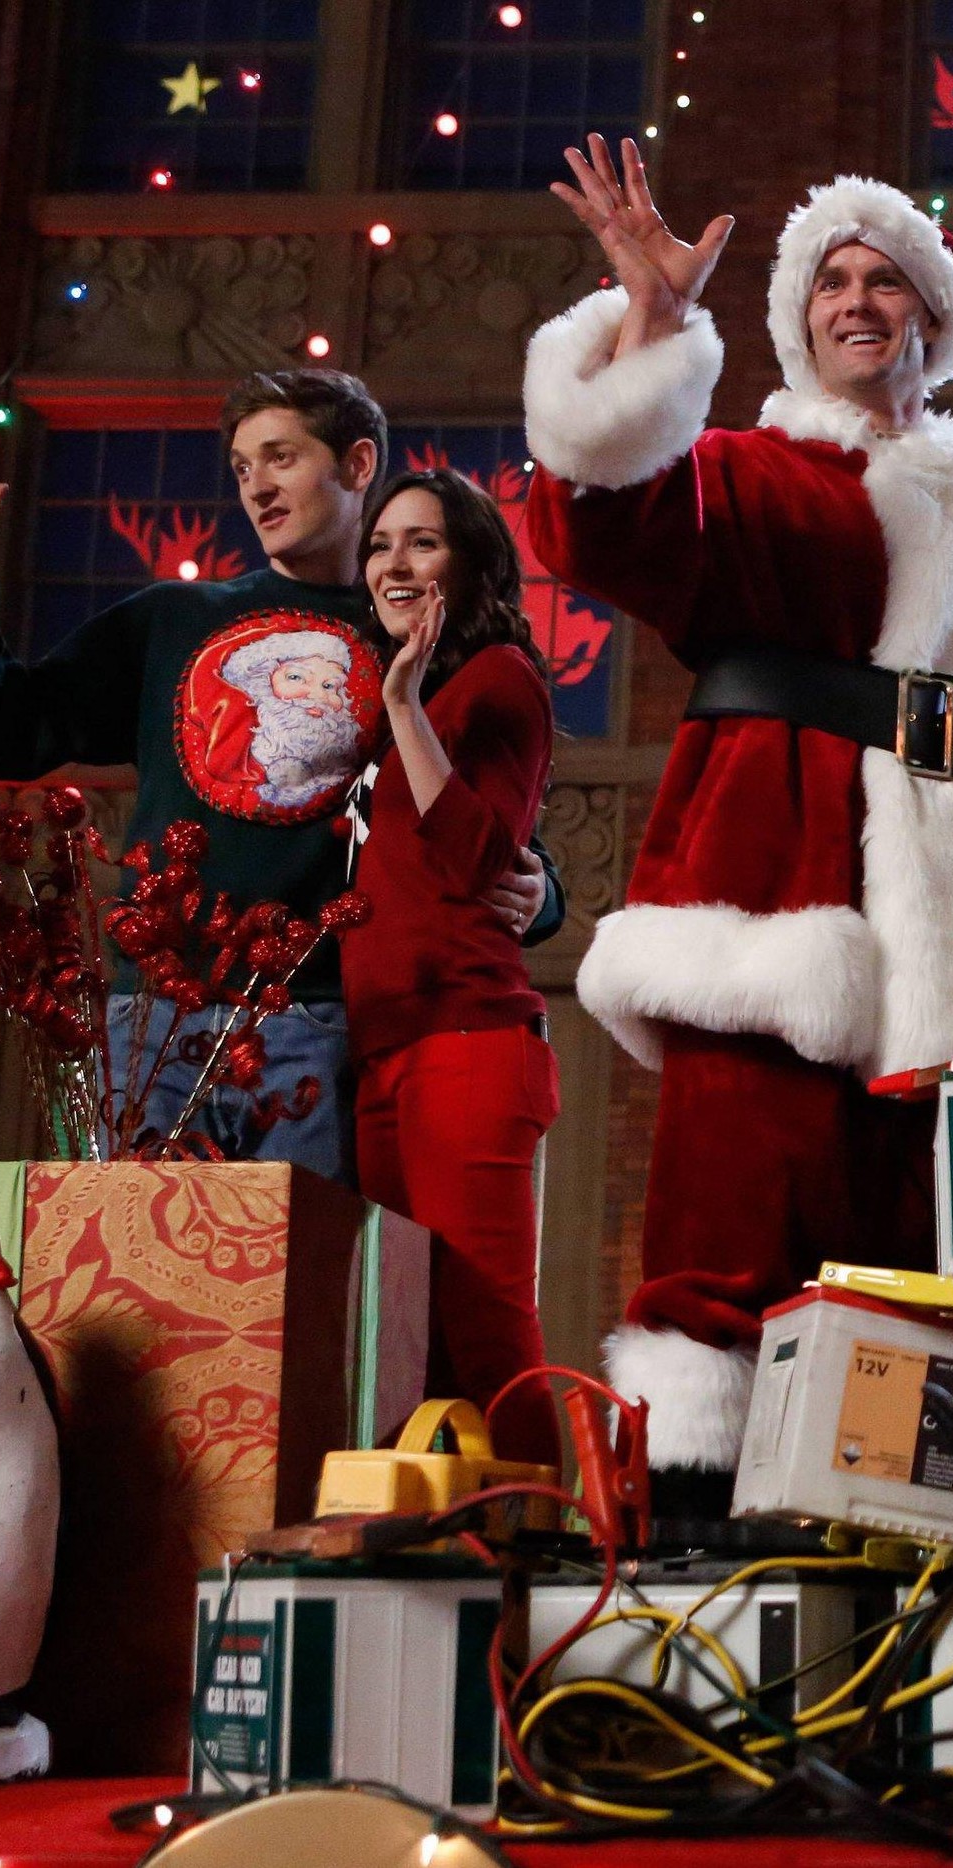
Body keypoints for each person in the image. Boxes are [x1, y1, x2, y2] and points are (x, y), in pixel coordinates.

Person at [521, 141, 953, 1507]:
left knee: (942, 1253)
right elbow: (597, 524)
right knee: (732, 1225)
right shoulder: (743, 472)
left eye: (886, 280)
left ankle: (922, 1535)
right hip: (782, 893)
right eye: (831, 282)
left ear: (934, 317)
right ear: (800, 320)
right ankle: (696, 1521)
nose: (857, 301)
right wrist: (650, 327)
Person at [0, 377, 564, 1180]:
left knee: (298, 1259)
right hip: (151, 1023)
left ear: (357, 465)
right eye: (243, 467)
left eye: (281, 458)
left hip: (318, 1022)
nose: (257, 486)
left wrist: (539, 889)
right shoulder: (170, 620)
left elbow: (481, 811)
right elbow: (2, 735)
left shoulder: (412, 633)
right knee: (133, 1253)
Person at [340, 467, 562, 1465]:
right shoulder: (407, 699)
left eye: (421, 542)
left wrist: (404, 707)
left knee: (486, 1331)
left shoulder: (499, 677)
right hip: (387, 1050)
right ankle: (447, 1541)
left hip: (467, 1037)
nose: (394, 562)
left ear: (468, 564)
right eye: (380, 544)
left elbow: (478, 856)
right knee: (412, 1347)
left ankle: (547, 1536)